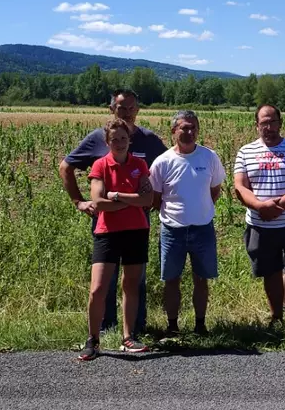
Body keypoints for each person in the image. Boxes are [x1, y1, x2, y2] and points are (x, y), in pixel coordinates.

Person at [60, 89, 166, 333]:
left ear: (138, 110)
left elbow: (168, 168)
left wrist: (158, 201)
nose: (127, 112)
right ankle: (105, 328)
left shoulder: (149, 140)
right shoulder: (98, 138)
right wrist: (78, 201)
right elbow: (65, 167)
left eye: (131, 108)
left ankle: (136, 328)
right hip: (105, 222)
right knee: (104, 280)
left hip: (138, 222)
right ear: (111, 109)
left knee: (135, 280)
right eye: (121, 108)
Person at [234, 104, 285, 331]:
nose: (269, 127)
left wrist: (279, 206)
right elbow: (240, 187)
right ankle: (277, 318)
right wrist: (260, 206)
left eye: (273, 122)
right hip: (260, 224)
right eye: (264, 122)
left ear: (280, 123)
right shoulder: (245, 152)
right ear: (256, 125)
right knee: (271, 273)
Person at [78, 118, 153, 360]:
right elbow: (98, 203)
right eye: (114, 139)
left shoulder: (139, 165)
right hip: (107, 233)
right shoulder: (100, 165)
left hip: (136, 231)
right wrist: (131, 200)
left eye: (123, 138)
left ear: (129, 139)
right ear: (107, 142)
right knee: (97, 288)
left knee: (130, 285)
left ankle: (128, 337)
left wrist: (117, 196)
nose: (119, 143)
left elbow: (147, 200)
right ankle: (93, 339)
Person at [149, 110, 225, 335]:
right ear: (174, 131)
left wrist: (199, 210)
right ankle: (172, 327)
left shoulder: (209, 157)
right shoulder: (162, 162)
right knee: (172, 280)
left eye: (193, 127)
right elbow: (155, 198)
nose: (189, 132)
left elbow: (215, 190)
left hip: (203, 229)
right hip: (172, 230)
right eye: (184, 128)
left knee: (202, 279)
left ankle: (200, 326)